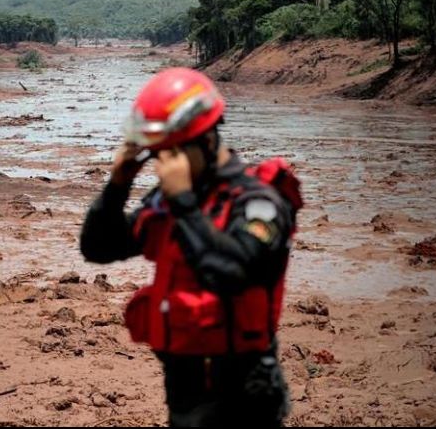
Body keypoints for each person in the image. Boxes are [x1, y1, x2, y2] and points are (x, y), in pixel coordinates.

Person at [80, 68, 302, 427]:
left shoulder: (259, 202)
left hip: (244, 392)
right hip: (184, 386)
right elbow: (99, 248)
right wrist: (117, 185)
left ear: (206, 139)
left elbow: (231, 272)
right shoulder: (169, 200)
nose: (163, 164)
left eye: (171, 152)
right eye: (157, 155)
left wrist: (184, 202)